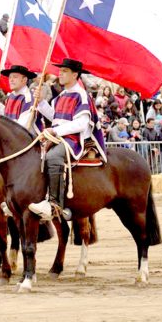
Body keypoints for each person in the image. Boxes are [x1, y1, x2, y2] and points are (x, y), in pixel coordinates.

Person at [29, 59, 106, 221]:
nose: (60, 74)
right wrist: (41, 102)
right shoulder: (60, 97)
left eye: (64, 71)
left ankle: (55, 205)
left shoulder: (82, 95)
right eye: (60, 70)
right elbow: (55, 117)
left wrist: (55, 131)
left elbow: (82, 123)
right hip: (57, 137)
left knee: (53, 157)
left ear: (75, 75)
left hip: (73, 140)